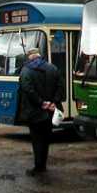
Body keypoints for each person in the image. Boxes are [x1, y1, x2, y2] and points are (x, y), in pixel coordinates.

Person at [19, 48, 64, 176]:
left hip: (35, 112)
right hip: (50, 111)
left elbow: (27, 89)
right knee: (46, 138)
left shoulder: (26, 70)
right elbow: (60, 86)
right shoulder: (52, 68)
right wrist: (53, 102)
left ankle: (39, 166)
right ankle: (43, 164)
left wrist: (41, 102)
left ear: (30, 57)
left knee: (37, 139)